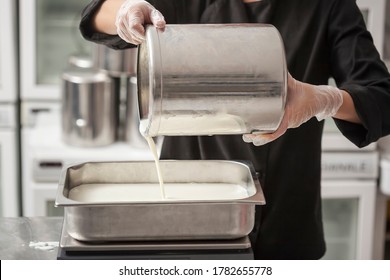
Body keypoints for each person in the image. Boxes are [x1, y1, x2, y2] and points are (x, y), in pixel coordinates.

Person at [79, 0, 390, 259]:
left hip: (286, 217)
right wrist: (125, 11)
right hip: (188, 212)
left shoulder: (328, 5)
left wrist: (324, 100)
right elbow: (95, 16)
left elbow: (382, 99)